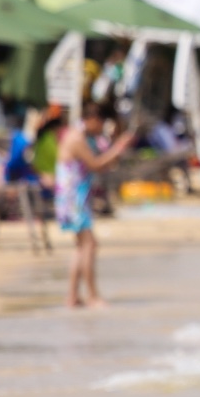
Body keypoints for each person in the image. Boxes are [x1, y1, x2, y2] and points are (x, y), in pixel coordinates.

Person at [56, 100, 137, 308]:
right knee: (90, 245)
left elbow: (100, 161)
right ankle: (92, 296)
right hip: (74, 199)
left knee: (81, 246)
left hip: (74, 197)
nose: (102, 128)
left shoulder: (83, 136)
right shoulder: (76, 138)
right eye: (101, 123)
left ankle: (72, 296)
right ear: (92, 120)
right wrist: (118, 148)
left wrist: (115, 147)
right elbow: (96, 165)